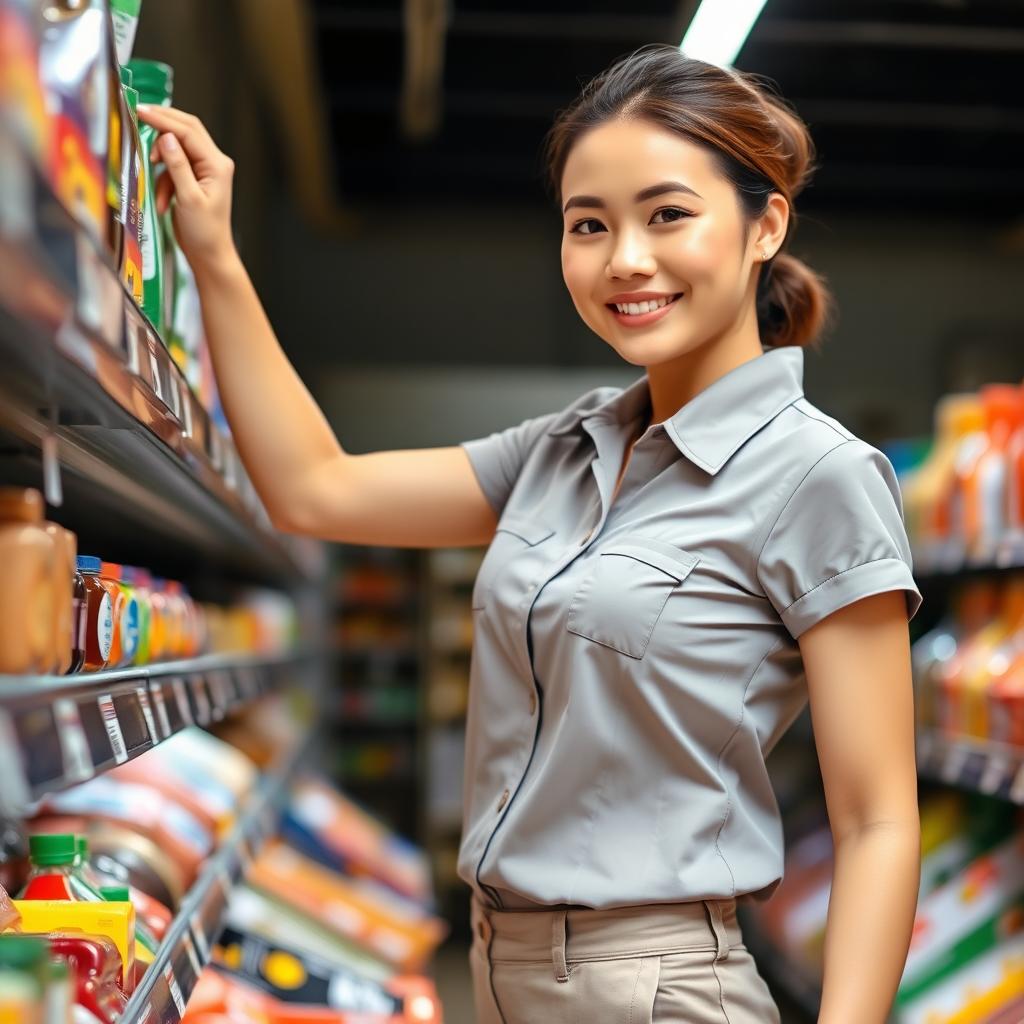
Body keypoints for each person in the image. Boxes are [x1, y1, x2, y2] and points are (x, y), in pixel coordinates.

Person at [138, 43, 923, 1024]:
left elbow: (877, 817)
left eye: (667, 214)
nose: (623, 259)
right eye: (587, 224)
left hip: (659, 983)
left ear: (764, 224)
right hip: (502, 965)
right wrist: (212, 251)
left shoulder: (818, 476)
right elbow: (317, 489)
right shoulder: (563, 447)